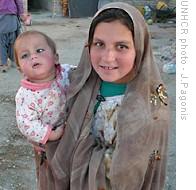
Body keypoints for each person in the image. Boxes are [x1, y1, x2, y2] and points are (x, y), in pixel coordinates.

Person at [43, 2, 170, 190]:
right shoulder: (78, 83)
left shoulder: (150, 106)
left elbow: (127, 176)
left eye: (122, 46)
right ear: (89, 45)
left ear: (139, 49)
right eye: (99, 44)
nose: (108, 57)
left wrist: (78, 153)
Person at [14, 30, 73, 189]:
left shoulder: (66, 73)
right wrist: (50, 134)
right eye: (25, 55)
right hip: (47, 143)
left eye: (39, 51)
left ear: (55, 58)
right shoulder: (26, 95)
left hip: (69, 134)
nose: (33, 56)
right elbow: (26, 123)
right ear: (20, 69)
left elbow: (82, 74)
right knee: (50, 176)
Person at [0, 0, 28, 72]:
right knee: (12, 41)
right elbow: (18, 2)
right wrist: (21, 13)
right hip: (10, 15)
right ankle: (13, 61)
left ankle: (4, 63)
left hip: (7, 15)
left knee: (2, 42)